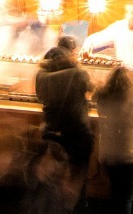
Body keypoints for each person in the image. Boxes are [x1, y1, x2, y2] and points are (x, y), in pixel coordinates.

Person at [34, 36, 93, 209]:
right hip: (77, 133)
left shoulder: (40, 75)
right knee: (77, 177)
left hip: (52, 132)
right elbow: (93, 90)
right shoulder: (78, 73)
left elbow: (40, 97)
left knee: (53, 178)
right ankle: (77, 207)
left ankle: (55, 207)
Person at [94, 65, 133, 214]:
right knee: (126, 198)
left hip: (109, 153)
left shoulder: (103, 96)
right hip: (131, 153)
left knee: (122, 195)